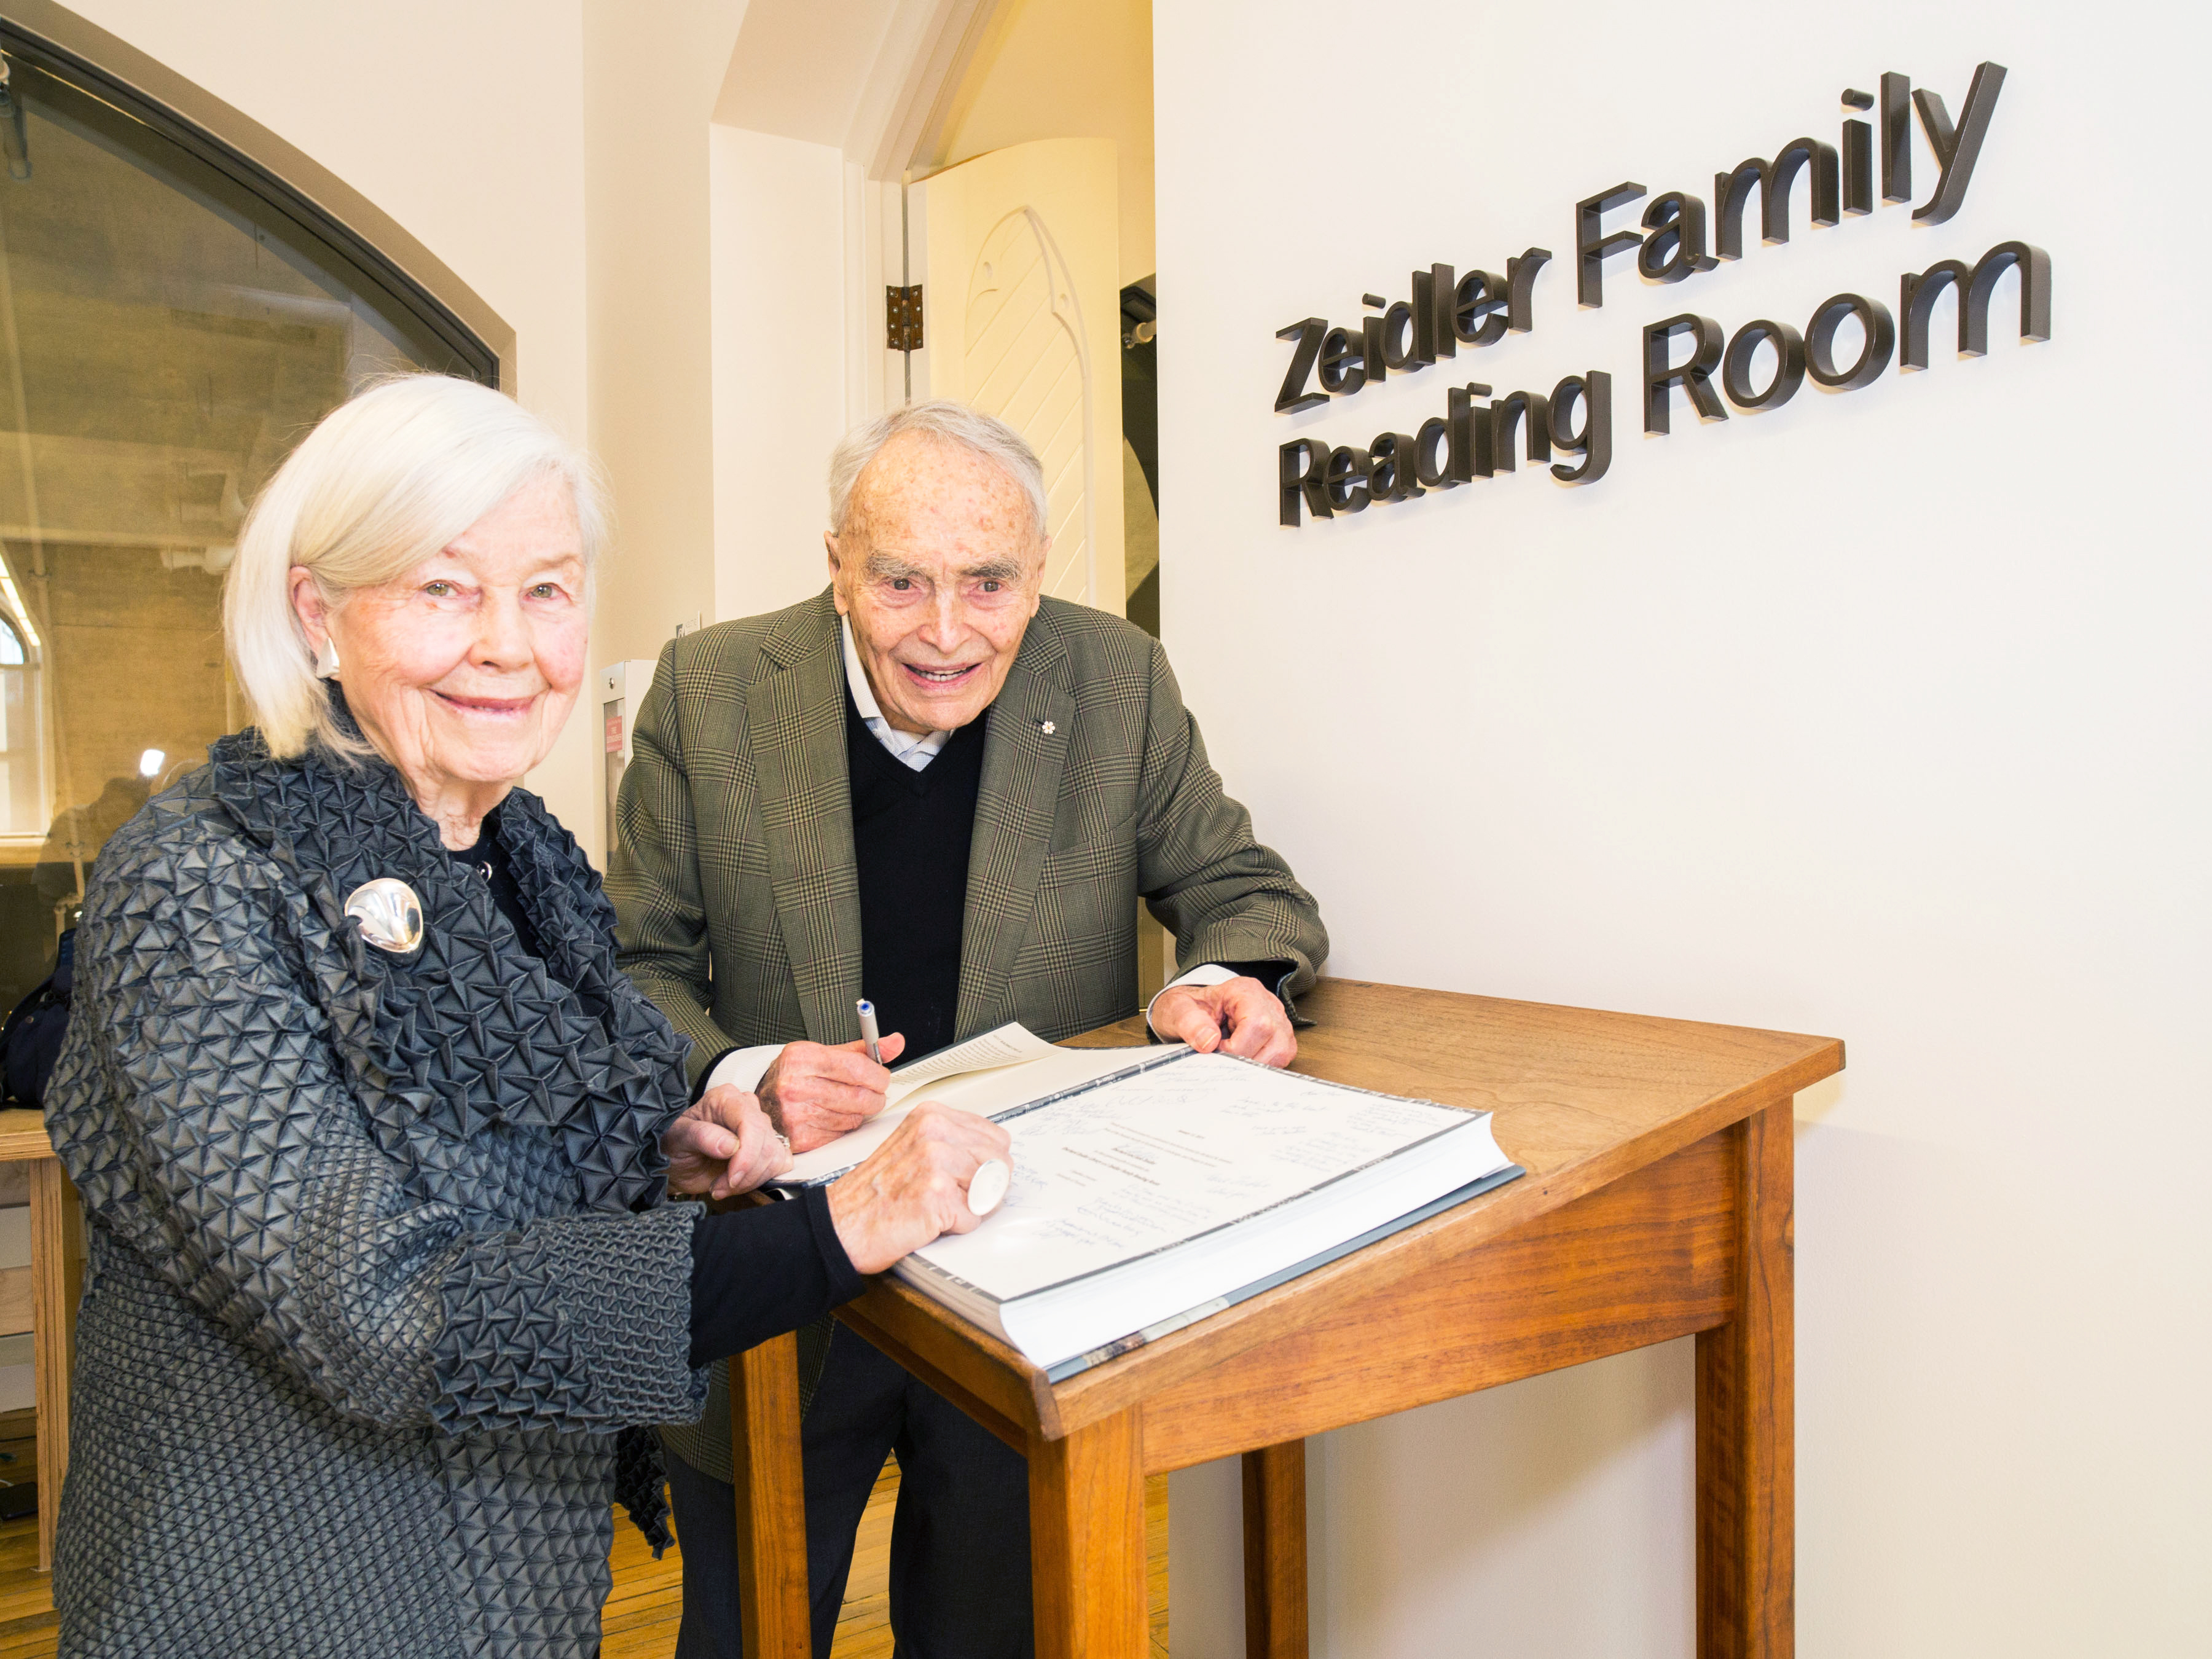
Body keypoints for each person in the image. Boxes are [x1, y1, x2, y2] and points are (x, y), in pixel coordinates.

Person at [41, 375, 1013, 1659]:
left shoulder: (519, 851)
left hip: (510, 1587)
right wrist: (843, 1229)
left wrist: (659, 1152)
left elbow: (494, 1152)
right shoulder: (196, 886)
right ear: (316, 612)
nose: (509, 643)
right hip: (275, 1595)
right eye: (443, 589)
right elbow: (390, 1310)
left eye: (546, 590)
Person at [610, 399, 1328, 1658]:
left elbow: (1245, 893)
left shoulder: (1116, 678)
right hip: (786, 1271)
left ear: (1039, 574)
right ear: (836, 562)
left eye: (990, 583)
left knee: (996, 1630)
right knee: (746, 1634)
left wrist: (1219, 980)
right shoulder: (711, 691)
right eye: (900, 581)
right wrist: (750, 1072)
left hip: (1029, 1274)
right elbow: (633, 964)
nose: (947, 632)